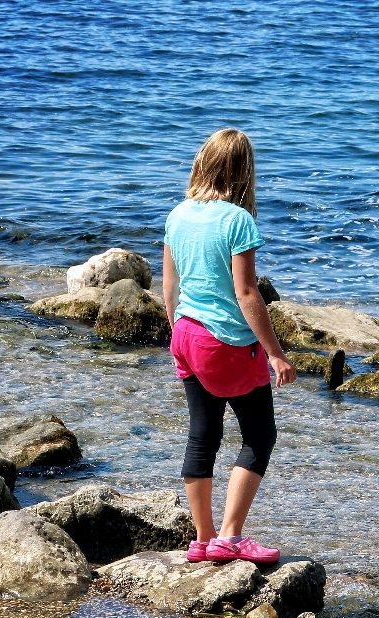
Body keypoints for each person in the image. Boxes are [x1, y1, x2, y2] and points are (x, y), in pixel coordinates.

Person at [162, 128, 297, 564]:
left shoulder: (178, 214)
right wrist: (275, 352)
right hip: (226, 341)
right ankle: (230, 537)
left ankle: (201, 540)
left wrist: (177, 331)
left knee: (203, 435)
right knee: (260, 435)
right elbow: (247, 293)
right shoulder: (238, 220)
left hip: (185, 332)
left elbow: (169, 284)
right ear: (244, 172)